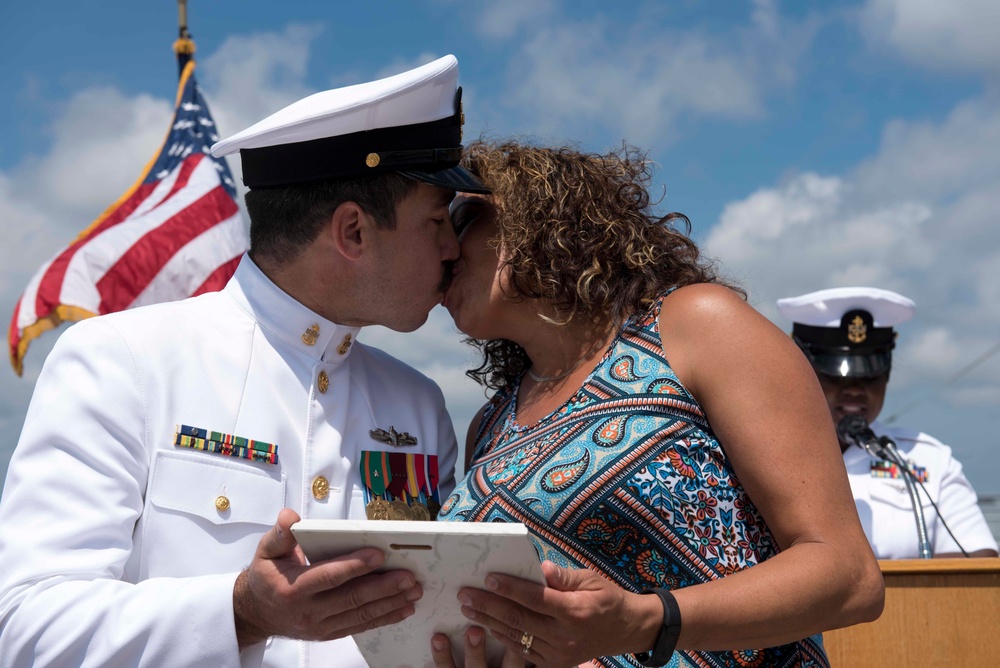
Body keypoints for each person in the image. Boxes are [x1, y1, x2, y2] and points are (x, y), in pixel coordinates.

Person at [0, 55, 490, 667]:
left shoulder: (416, 402)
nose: (452, 246)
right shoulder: (121, 361)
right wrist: (240, 611)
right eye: (437, 219)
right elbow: (26, 629)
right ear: (353, 233)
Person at [430, 140, 884, 668]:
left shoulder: (695, 327)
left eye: (460, 218)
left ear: (539, 218)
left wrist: (647, 621)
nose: (444, 248)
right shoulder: (488, 425)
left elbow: (849, 576)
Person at [777, 286, 999, 560]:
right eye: (836, 376)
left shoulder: (927, 459)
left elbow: (977, 560)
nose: (855, 389)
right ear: (802, 372)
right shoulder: (764, 453)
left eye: (870, 376)